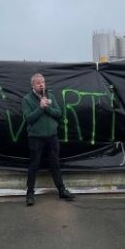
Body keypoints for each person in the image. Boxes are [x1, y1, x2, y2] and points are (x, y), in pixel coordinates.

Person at [22, 73, 76, 206]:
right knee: (34, 165)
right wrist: (40, 108)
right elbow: (28, 119)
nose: (41, 84)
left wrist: (47, 108)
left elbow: (59, 113)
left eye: (43, 82)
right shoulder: (27, 99)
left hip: (52, 136)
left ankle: (62, 190)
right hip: (36, 138)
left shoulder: (50, 96)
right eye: (38, 82)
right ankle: (29, 194)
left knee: (55, 163)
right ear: (33, 85)